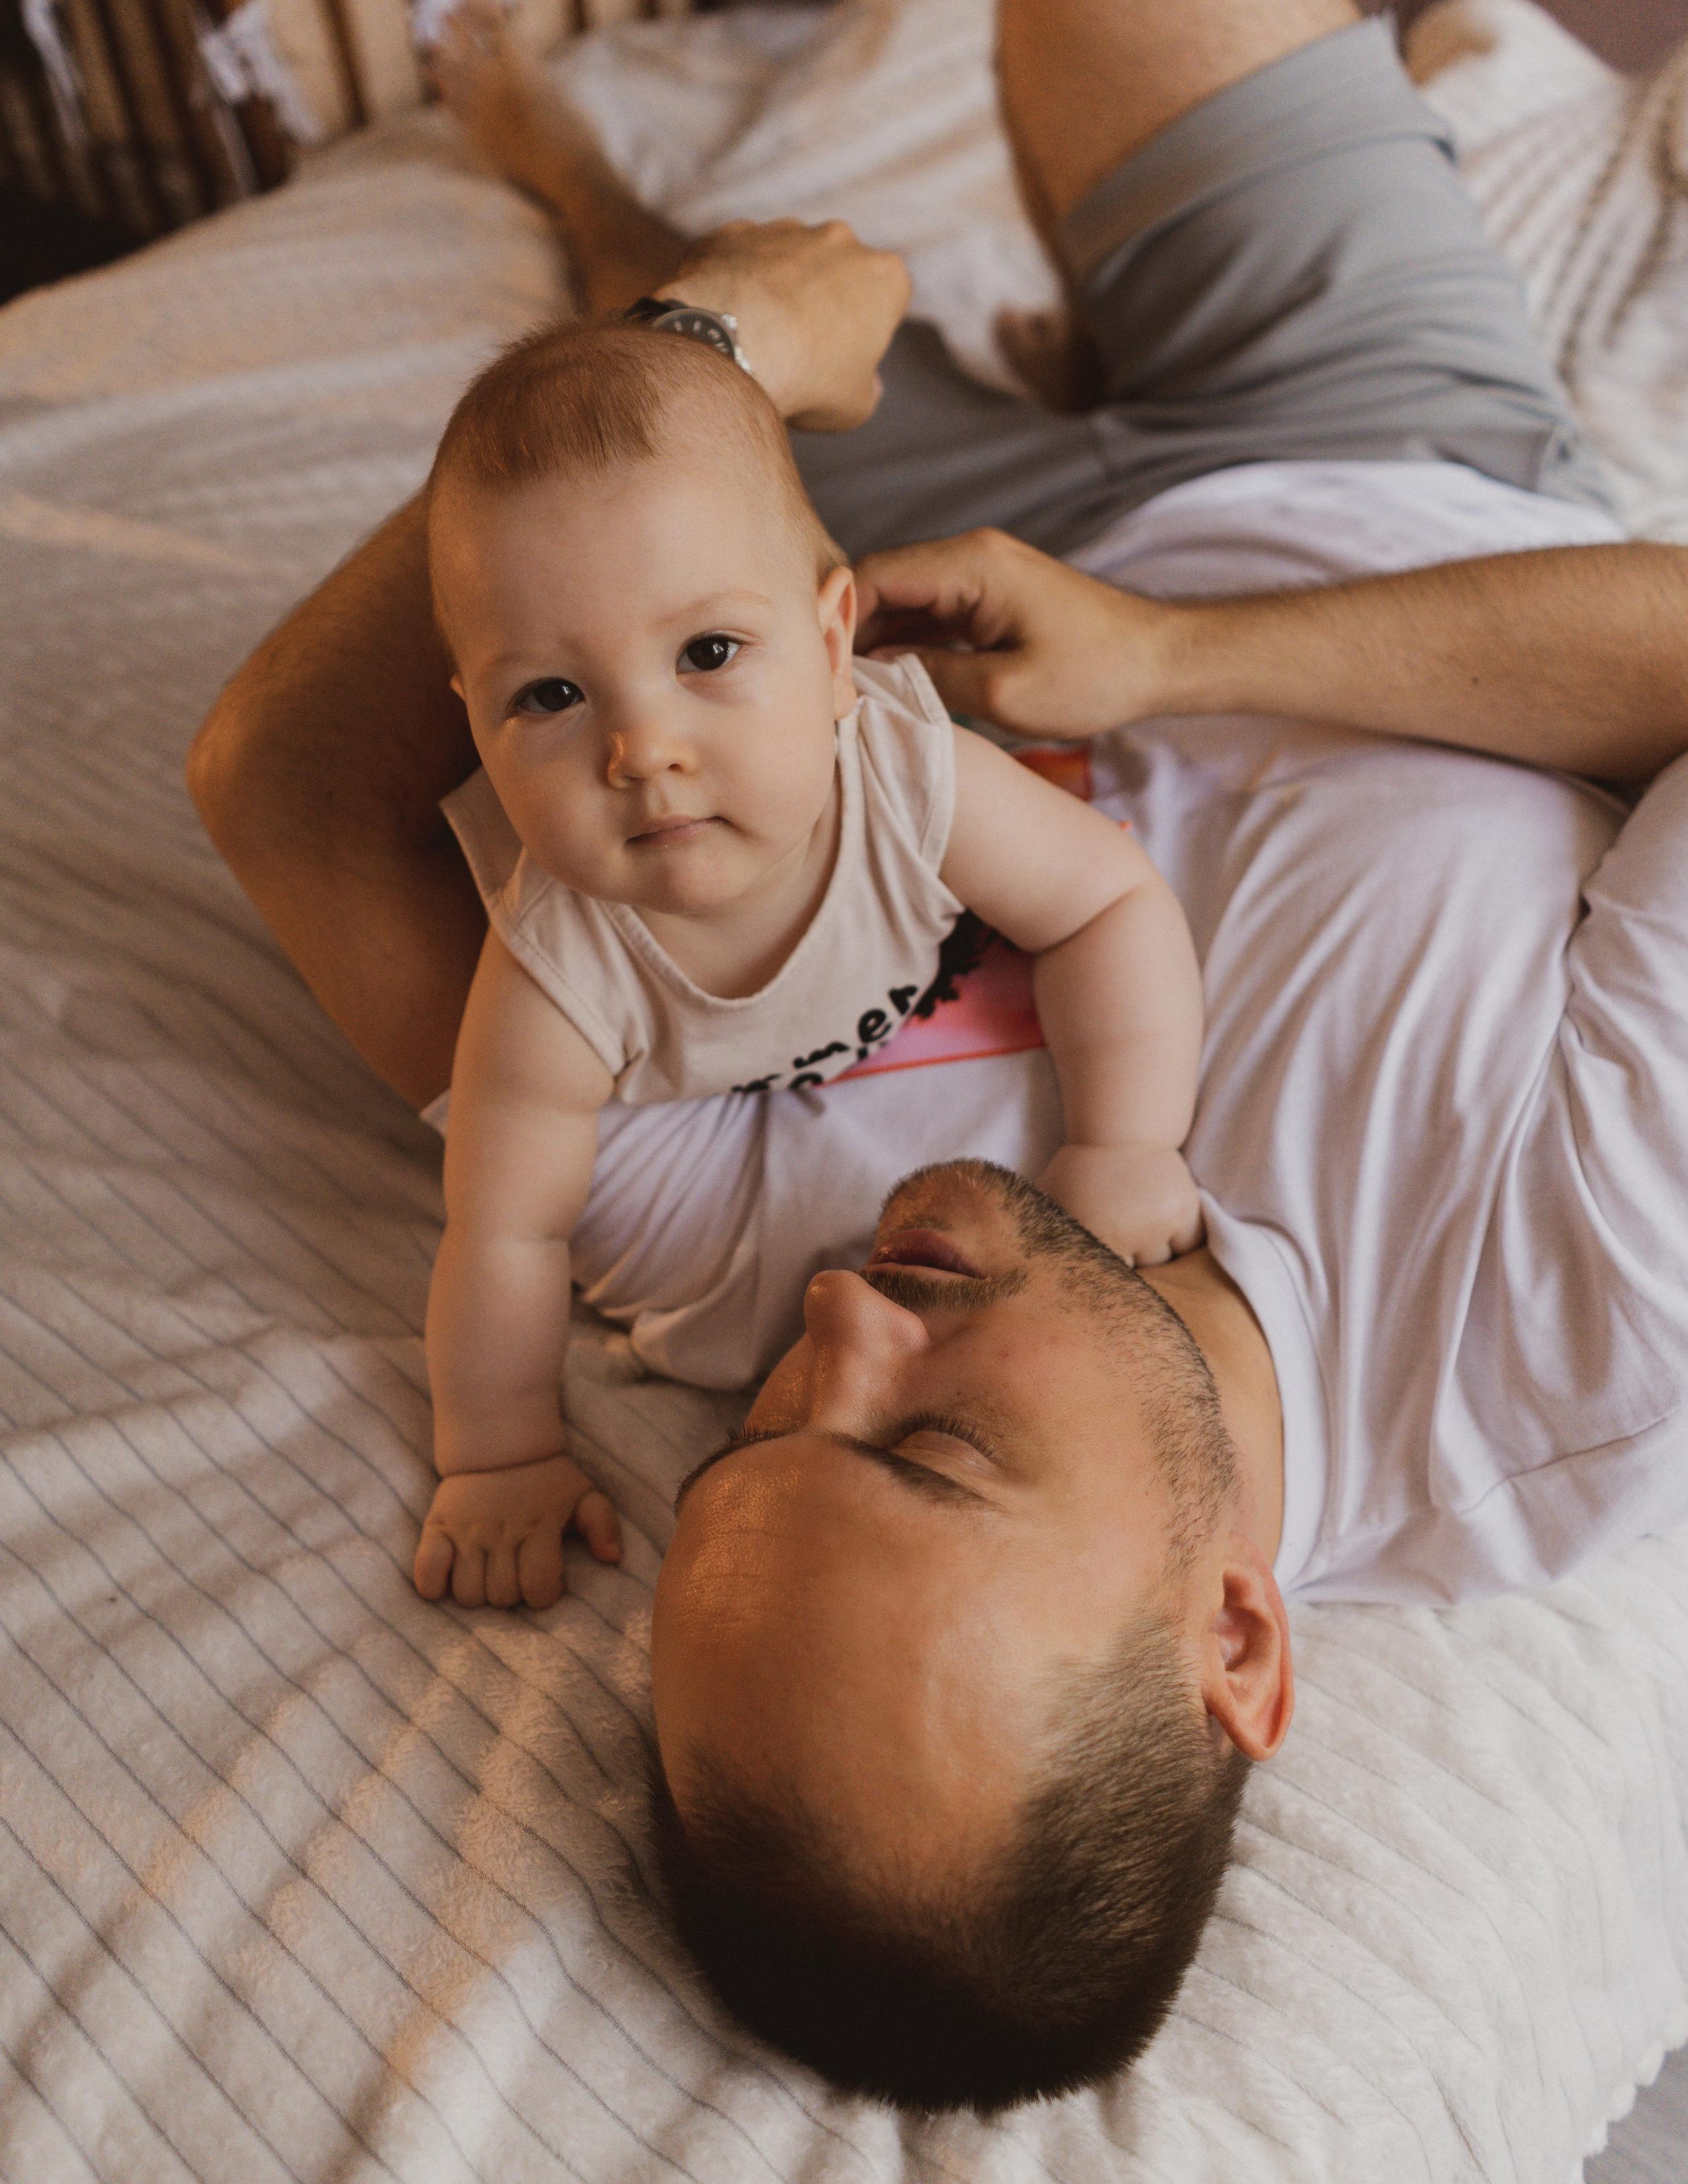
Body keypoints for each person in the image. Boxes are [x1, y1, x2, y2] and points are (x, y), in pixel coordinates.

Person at [186, 0, 1688, 2117]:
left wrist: (706, 342)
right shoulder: (1583, 1324)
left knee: (658, 474)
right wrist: (1174, 656)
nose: (832, 1327)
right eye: (934, 1457)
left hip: (863, 630)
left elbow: (280, 783)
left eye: (762, 1445)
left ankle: (575, 177)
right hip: (1387, 494)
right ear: (1237, 1641)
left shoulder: (731, 1259)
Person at [417, 318, 1202, 1608]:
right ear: (474, 723)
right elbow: (503, 1229)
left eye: (707, 655)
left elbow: (1109, 903)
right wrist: (495, 1454)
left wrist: (1124, 1146)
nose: (641, 749)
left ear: (835, 647)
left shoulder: (904, 779)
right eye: (549, 698)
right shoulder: (557, 970)